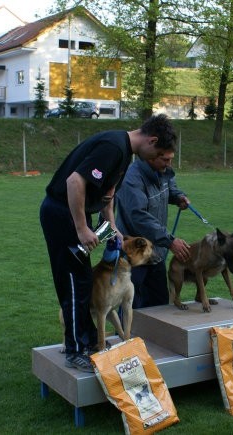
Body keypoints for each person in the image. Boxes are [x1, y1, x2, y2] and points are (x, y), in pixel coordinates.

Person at [40, 114, 176, 372]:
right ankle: (75, 351)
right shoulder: (113, 147)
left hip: (76, 213)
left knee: (83, 281)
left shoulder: (125, 154)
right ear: (152, 140)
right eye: (164, 158)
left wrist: (111, 225)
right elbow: (74, 182)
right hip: (61, 213)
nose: (165, 165)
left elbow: (108, 193)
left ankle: (89, 341)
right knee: (73, 284)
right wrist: (81, 227)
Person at [115, 150, 191, 308]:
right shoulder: (131, 178)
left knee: (160, 306)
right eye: (165, 159)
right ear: (151, 154)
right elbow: (138, 217)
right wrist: (170, 241)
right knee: (131, 308)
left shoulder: (163, 170)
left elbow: (169, 188)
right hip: (133, 256)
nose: (169, 164)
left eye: (171, 159)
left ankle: (156, 334)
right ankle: (127, 334)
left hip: (156, 253)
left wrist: (178, 197)